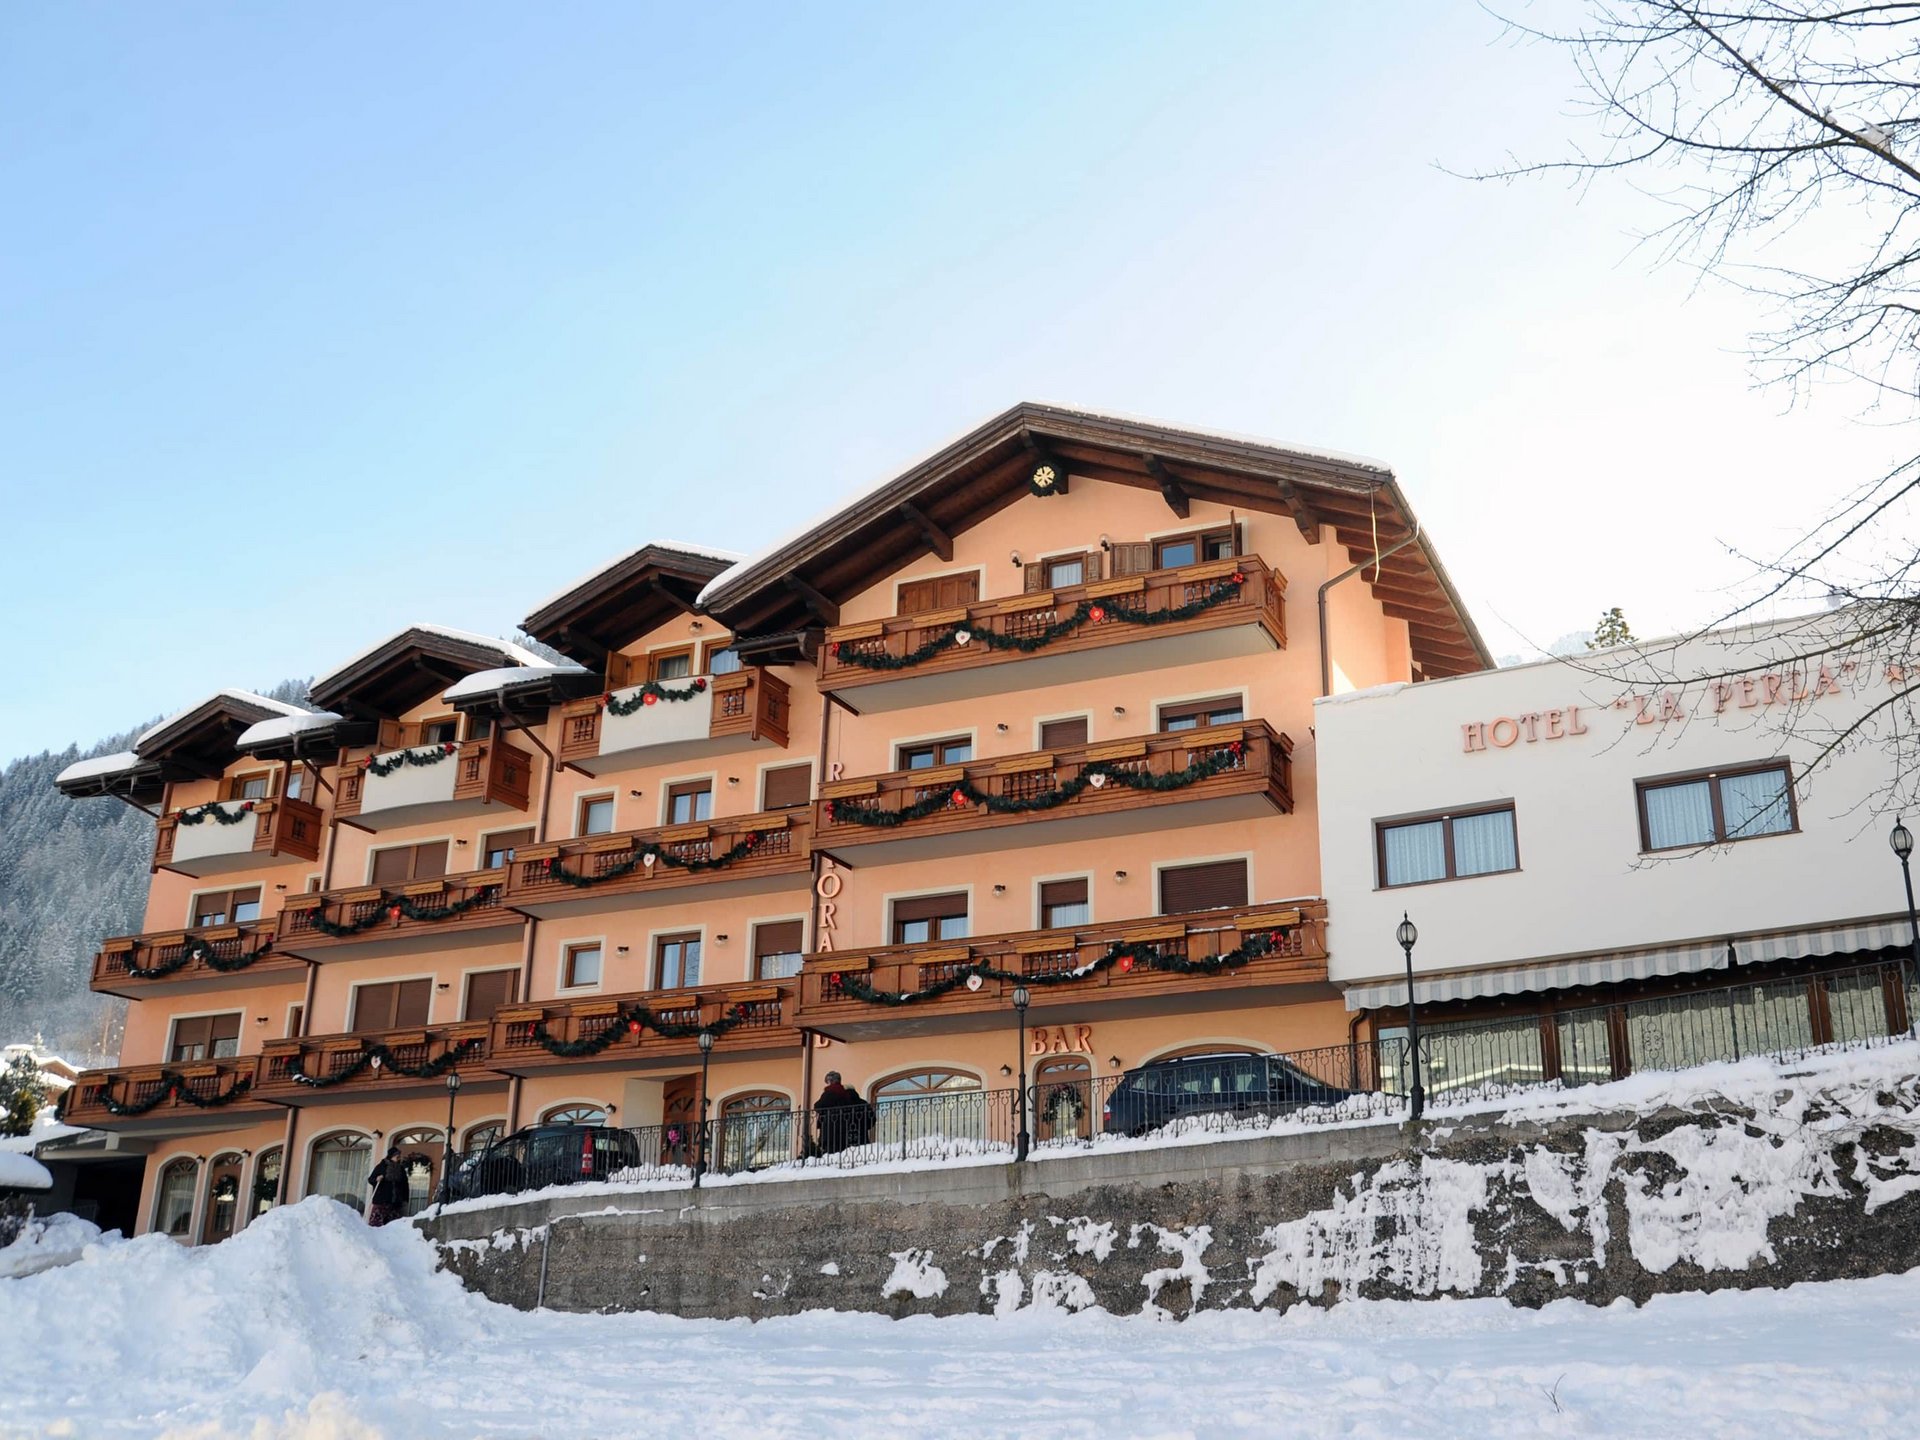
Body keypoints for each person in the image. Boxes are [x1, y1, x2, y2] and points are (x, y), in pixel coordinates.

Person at [813, 1071, 871, 1155]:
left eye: (828, 1081)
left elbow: (818, 1106)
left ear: (830, 1081)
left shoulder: (830, 1093)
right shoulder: (851, 1096)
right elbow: (869, 1116)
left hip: (832, 1132)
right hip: (853, 1133)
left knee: (833, 1156)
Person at [366, 1144, 409, 1227]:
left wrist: (405, 1199)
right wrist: (377, 1179)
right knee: (376, 1225)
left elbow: (405, 1185)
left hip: (395, 1203)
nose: (399, 1158)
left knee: (393, 1227)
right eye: (397, 1156)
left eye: (399, 1156)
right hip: (381, 1201)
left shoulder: (401, 1169)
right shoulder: (381, 1166)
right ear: (391, 1156)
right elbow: (371, 1179)